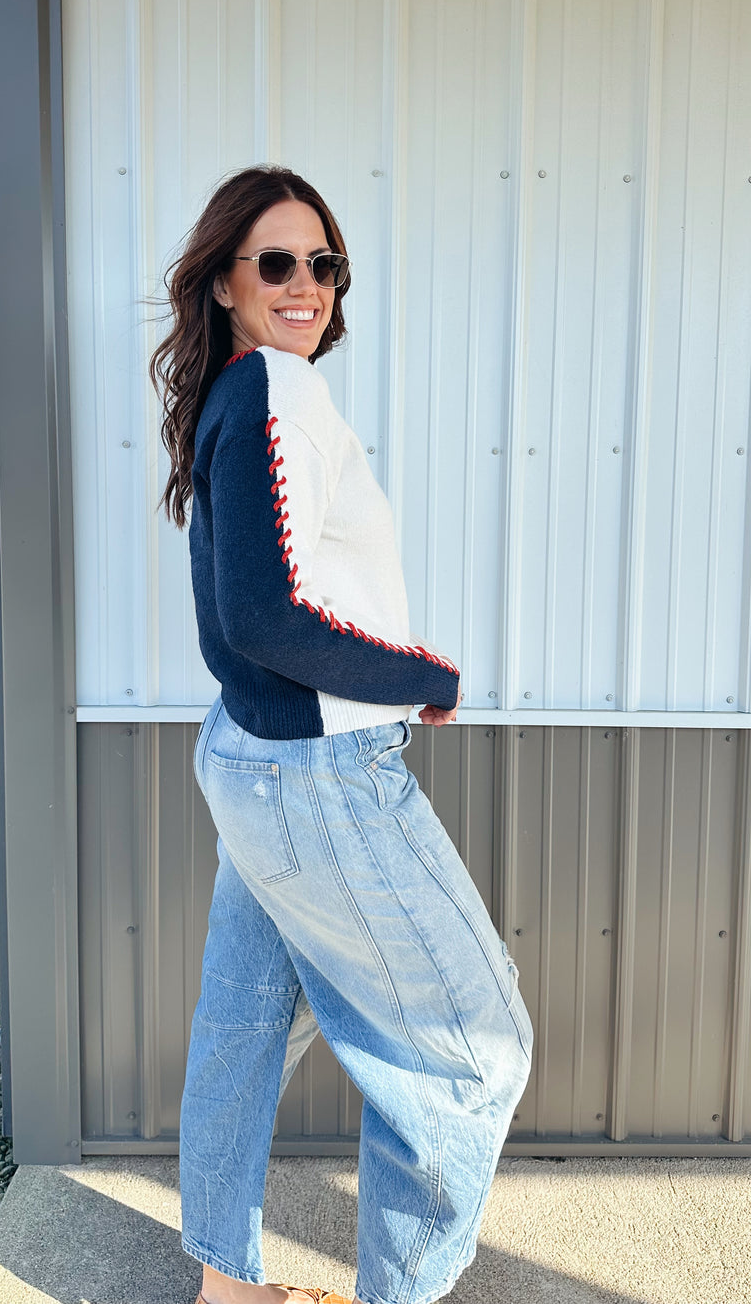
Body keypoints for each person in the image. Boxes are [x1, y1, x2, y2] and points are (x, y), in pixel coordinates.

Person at [149, 165, 533, 1304]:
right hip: (316, 775)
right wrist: (421, 675)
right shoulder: (268, 387)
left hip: (251, 761)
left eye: (323, 263)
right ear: (226, 281)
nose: (304, 283)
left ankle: (225, 1286)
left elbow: (246, 608)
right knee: (472, 1055)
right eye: (276, 262)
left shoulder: (236, 392)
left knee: (244, 1024)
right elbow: (264, 616)